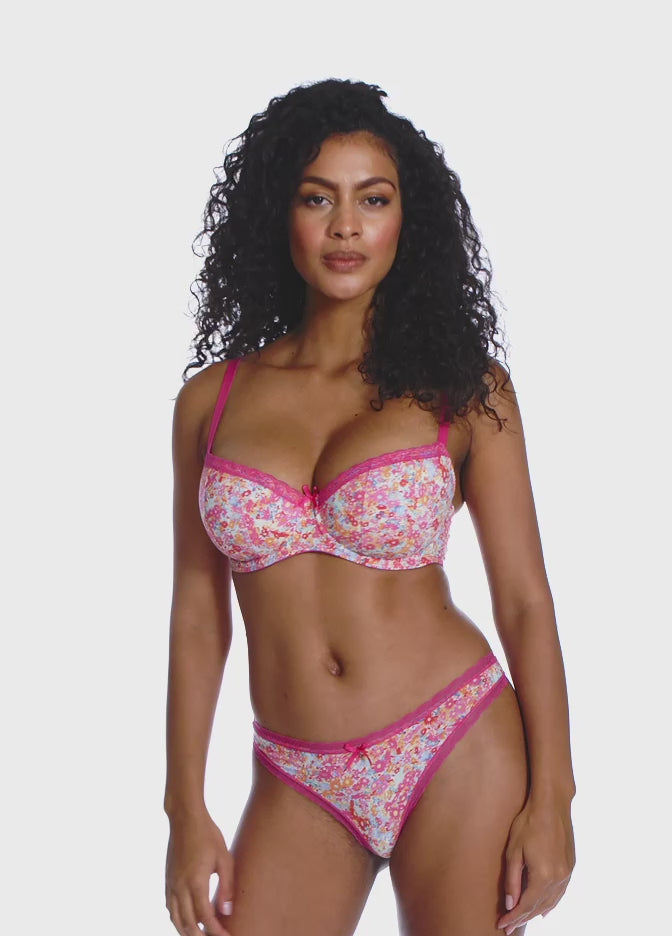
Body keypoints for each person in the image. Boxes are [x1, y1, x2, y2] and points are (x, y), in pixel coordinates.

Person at [163, 78, 575, 936]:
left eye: (373, 199)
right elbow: (199, 613)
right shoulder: (212, 399)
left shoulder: (466, 391)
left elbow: (525, 602)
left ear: (405, 220)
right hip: (296, 772)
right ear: (279, 216)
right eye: (318, 198)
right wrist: (185, 809)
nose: (346, 227)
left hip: (456, 743)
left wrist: (554, 798)